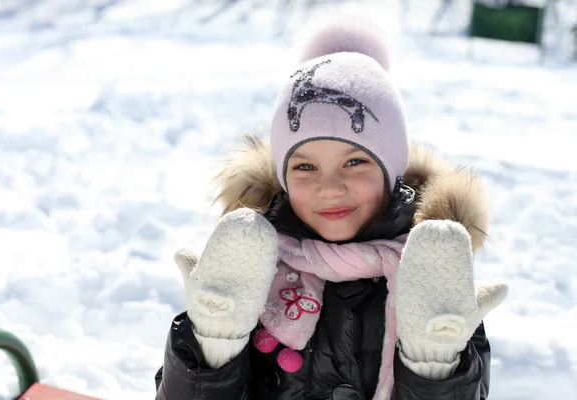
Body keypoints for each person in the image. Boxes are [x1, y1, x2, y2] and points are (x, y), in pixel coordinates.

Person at [154, 18, 507, 400]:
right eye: (304, 166)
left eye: (355, 162)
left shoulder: (432, 275)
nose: (329, 187)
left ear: (391, 170)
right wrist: (212, 345)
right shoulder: (249, 265)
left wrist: (434, 366)